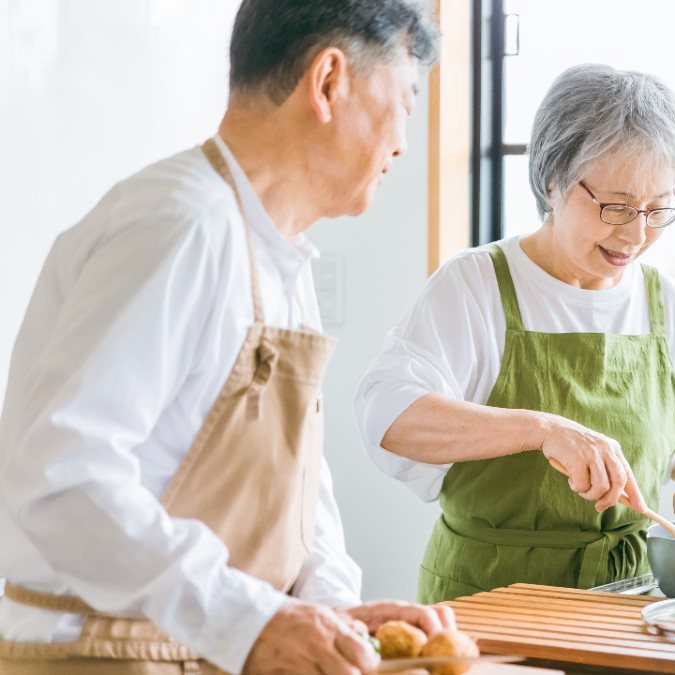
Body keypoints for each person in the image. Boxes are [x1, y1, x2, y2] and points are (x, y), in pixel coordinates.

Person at [0, 1, 451, 673]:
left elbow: (298, 484)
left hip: (202, 649)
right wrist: (253, 617)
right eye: (406, 101)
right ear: (329, 81)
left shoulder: (283, 255)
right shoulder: (180, 225)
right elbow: (62, 478)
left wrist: (325, 610)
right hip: (107, 655)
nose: (404, 143)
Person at [355, 64, 675, 604]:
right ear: (552, 180)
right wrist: (543, 429)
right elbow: (388, 417)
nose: (635, 234)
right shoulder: (475, 285)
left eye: (656, 210)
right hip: (489, 594)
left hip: (631, 598)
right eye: (616, 206)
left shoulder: (667, 302)